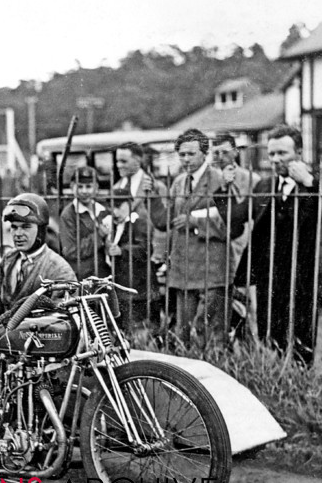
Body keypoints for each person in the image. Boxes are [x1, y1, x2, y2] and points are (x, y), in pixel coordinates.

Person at [231, 125, 322, 366]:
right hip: (270, 270)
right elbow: (241, 218)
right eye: (271, 154)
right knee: (270, 327)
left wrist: (310, 181)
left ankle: (301, 372)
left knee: (302, 326)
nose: (275, 160)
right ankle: (276, 371)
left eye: (282, 153)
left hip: (304, 269)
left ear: (299, 153)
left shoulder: (317, 182)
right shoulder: (264, 186)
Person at [150, 129, 232, 347]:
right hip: (184, 268)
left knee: (211, 331)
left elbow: (229, 222)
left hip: (210, 266)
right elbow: (167, 219)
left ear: (204, 154)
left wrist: (195, 222)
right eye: (182, 154)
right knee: (183, 331)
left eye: (191, 154)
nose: (186, 159)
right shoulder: (178, 183)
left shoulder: (218, 180)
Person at [0, 192, 76, 319]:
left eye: (25, 227)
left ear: (41, 230)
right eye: (14, 227)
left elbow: (62, 321)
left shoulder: (59, 269)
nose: (18, 233)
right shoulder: (8, 259)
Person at [210, 133, 262, 340]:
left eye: (225, 151)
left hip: (243, 245)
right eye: (217, 153)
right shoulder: (211, 178)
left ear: (235, 152)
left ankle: (253, 343)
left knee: (249, 299)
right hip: (216, 246)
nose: (221, 156)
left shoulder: (251, 179)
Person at [111, 142, 169, 327]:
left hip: (147, 258)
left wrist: (159, 256)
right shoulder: (118, 186)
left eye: (124, 160)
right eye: (117, 161)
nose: (119, 165)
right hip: (127, 264)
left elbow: (162, 223)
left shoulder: (154, 186)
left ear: (137, 160)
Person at [59, 167, 112, 281]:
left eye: (88, 186)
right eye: (80, 186)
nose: (84, 191)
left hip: (104, 273)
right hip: (84, 276)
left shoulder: (103, 210)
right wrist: (98, 236)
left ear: (96, 188)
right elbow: (69, 251)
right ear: (72, 187)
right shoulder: (69, 214)